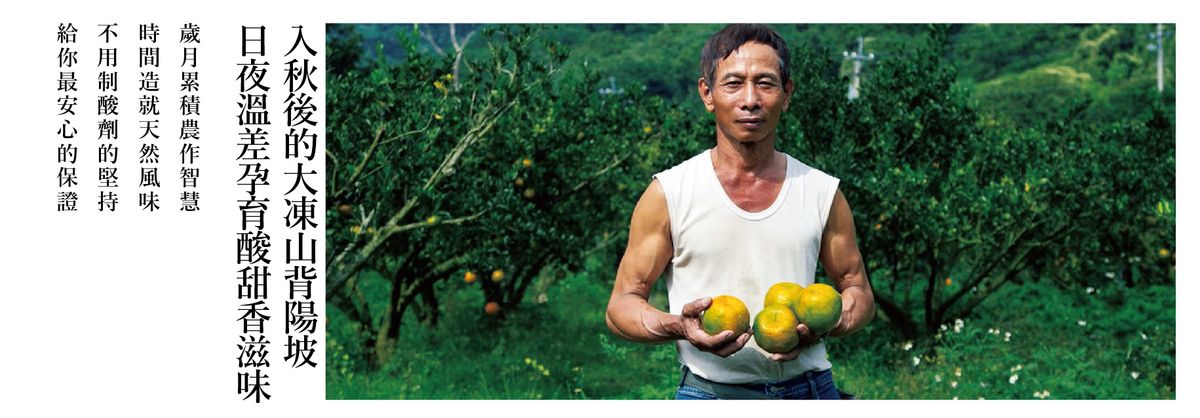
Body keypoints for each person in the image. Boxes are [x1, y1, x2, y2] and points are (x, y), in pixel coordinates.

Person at [604, 24, 875, 400]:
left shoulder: (821, 191)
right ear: (707, 93)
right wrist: (678, 326)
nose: (751, 99)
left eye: (765, 83)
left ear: (787, 93)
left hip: (811, 392)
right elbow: (621, 305)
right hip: (708, 395)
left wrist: (823, 325)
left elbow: (857, 290)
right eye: (733, 83)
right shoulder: (669, 193)